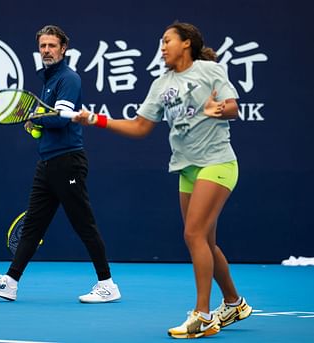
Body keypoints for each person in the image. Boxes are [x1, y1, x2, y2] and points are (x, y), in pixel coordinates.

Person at [73, 22, 251, 338]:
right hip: (186, 168)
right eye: (161, 41)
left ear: (186, 44)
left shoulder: (210, 70)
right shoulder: (161, 83)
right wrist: (97, 120)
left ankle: (202, 315)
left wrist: (216, 109)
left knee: (193, 234)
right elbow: (141, 127)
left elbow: (234, 108)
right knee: (205, 241)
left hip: (218, 162)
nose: (162, 46)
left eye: (168, 41)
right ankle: (234, 303)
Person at [0, 25, 121, 304]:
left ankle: (107, 284)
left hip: (68, 163)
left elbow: (62, 117)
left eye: (52, 46)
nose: (47, 51)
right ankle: (11, 282)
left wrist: (35, 117)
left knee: (83, 224)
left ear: (63, 49)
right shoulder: (49, 80)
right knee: (33, 225)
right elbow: (50, 118)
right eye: (43, 46)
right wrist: (36, 122)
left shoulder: (69, 78)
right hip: (48, 164)